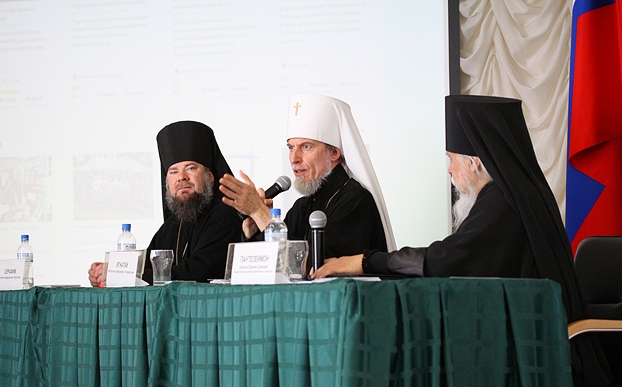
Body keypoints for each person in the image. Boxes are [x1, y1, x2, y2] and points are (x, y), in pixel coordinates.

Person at [313, 94, 611, 387]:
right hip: (520, 338)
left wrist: (365, 261)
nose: (449, 170)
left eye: (451, 159)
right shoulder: (510, 193)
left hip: (530, 353)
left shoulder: (503, 201)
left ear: (474, 161)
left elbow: (448, 259)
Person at [218, 93, 395, 274]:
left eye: (306, 146)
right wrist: (255, 230)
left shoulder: (355, 200)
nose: (294, 158)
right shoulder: (301, 207)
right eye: (291, 147)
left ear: (334, 153)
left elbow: (318, 269)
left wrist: (261, 213)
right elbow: (273, 270)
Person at [88, 121, 242, 285]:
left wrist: (125, 276)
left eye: (190, 168)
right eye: (173, 172)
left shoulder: (225, 216)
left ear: (209, 177)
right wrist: (109, 271)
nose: (181, 177)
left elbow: (199, 272)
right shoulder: (172, 224)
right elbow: (147, 265)